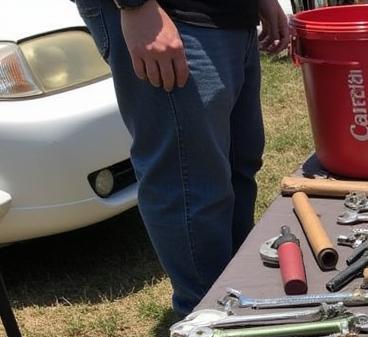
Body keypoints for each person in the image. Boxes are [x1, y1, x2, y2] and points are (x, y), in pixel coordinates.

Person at [75, 0, 291, 314]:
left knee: (238, 165)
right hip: (165, 15)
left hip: (224, 17)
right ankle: (208, 325)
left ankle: (240, 304)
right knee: (191, 186)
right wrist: (136, 7)